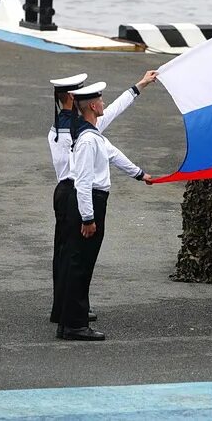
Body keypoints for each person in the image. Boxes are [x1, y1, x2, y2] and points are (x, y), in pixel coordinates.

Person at [48, 70, 157, 326]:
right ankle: (70, 314)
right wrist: (88, 216)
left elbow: (110, 143)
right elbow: (86, 173)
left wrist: (139, 85)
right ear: (74, 98)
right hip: (74, 192)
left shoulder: (68, 126)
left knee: (68, 256)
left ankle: (65, 310)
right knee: (74, 257)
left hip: (70, 191)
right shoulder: (77, 132)